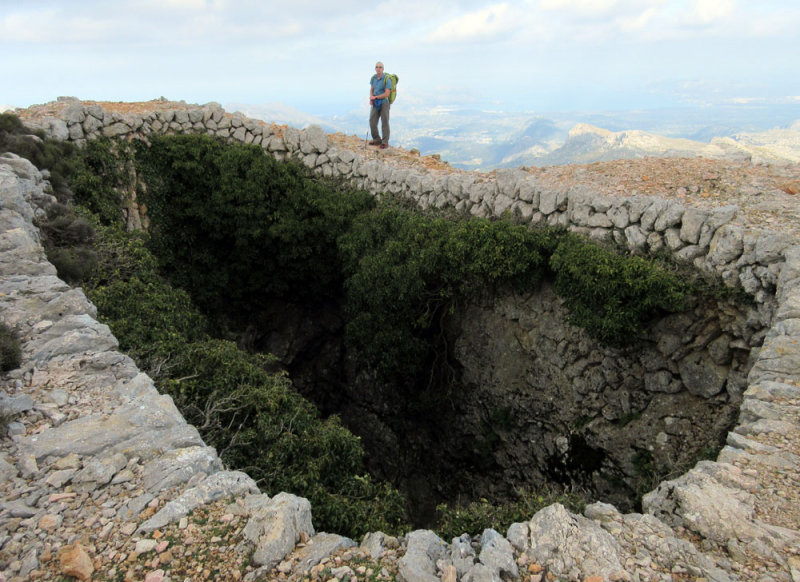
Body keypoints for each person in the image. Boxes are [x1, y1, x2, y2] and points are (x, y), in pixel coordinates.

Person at [369, 61, 392, 149]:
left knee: (384, 121)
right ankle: (377, 139)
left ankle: (385, 142)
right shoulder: (373, 78)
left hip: (384, 103)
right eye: (377, 67)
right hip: (375, 101)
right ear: (375, 68)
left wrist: (376, 97)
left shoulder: (387, 79)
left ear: (383, 69)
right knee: (372, 121)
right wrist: (371, 97)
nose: (378, 69)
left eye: (380, 67)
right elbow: (372, 89)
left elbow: (387, 94)